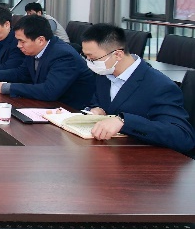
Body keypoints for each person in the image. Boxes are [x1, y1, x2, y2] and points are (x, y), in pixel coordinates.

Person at [81, 24, 195, 152]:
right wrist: (97, 109)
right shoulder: (104, 74)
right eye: (86, 57)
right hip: (109, 149)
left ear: (118, 55)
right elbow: (99, 102)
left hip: (145, 157)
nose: (89, 63)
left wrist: (125, 122)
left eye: (93, 59)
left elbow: (182, 136)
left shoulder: (160, 86)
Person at [0, 15, 95, 106]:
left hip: (71, 109)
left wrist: (6, 87)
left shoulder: (64, 55)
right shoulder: (33, 49)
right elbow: (22, 73)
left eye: (22, 41)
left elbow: (49, 91)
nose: (18, 45)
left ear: (40, 40)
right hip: (48, 105)